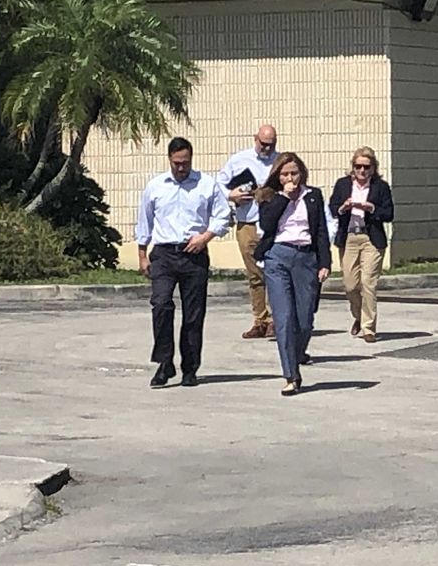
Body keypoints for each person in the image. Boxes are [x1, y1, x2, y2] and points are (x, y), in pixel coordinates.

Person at [136, 137, 232, 388]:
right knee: (160, 304)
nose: (181, 168)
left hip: (193, 254)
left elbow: (223, 215)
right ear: (169, 159)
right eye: (177, 163)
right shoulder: (156, 186)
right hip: (164, 254)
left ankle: (190, 368)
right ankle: (164, 362)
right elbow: (145, 221)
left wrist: (205, 237)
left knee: (193, 313)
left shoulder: (206, 184)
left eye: (185, 163)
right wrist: (142, 255)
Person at [253, 153, 331, 396]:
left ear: (302, 174)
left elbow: (321, 230)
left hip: (306, 257)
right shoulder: (269, 196)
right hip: (277, 255)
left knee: (305, 319)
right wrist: (284, 197)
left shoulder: (313, 195)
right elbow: (266, 224)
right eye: (285, 174)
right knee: (284, 317)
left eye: (294, 173)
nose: (290, 178)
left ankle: (296, 354)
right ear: (278, 176)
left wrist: (325, 262)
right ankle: (291, 375)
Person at [217, 124, 279, 339]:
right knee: (255, 275)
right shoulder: (239, 160)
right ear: (255, 139)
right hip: (248, 222)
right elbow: (219, 184)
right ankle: (260, 320)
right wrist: (231, 195)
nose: (267, 149)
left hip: (272, 224)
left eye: (271, 145)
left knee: (274, 272)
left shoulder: (280, 161)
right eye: (264, 144)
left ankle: (276, 320)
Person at [329, 147, 394, 344]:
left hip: (371, 239)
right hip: (349, 237)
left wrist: (372, 208)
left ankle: (368, 328)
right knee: (350, 285)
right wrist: (343, 208)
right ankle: (358, 316)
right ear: (353, 167)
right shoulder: (343, 185)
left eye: (366, 167)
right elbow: (332, 208)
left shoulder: (380, 187)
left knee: (368, 283)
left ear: (373, 168)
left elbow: (389, 213)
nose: (362, 171)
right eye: (358, 167)